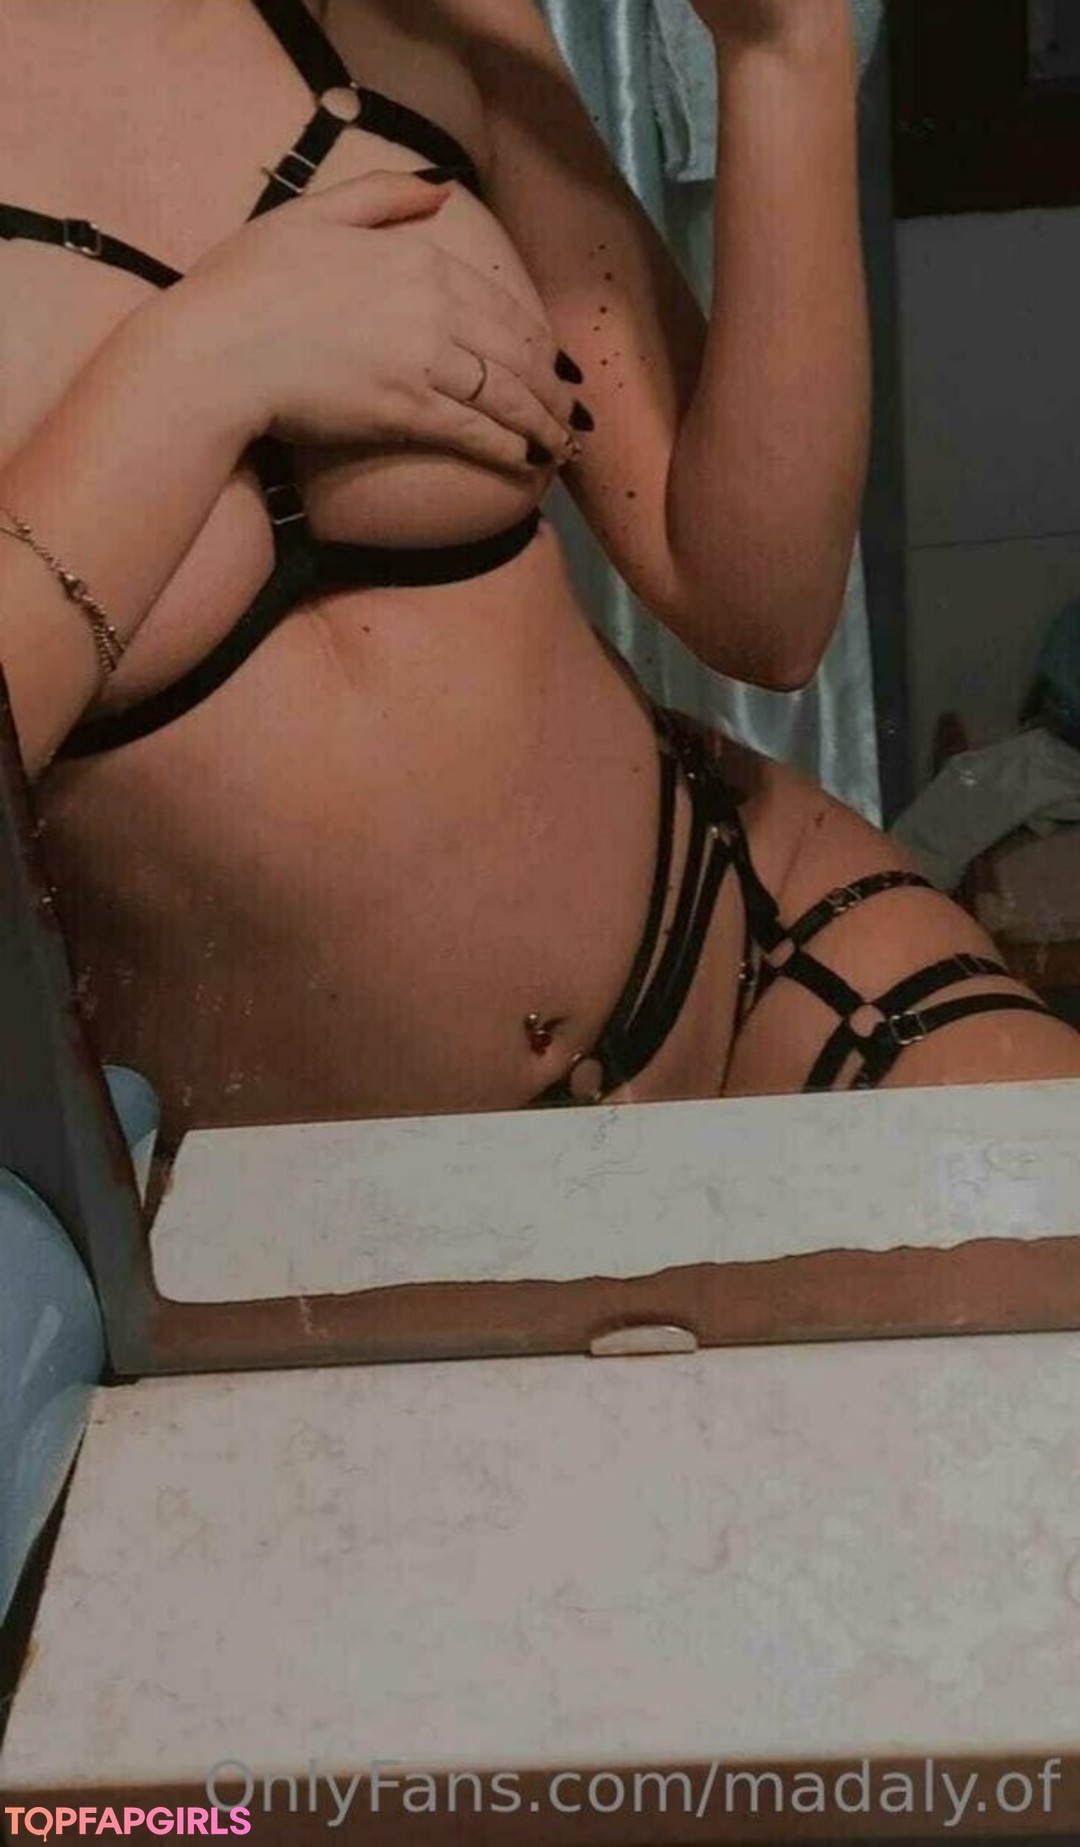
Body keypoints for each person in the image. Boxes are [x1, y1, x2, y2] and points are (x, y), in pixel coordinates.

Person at [1, 0, 1078, 1146]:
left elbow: (762, 610)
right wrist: (206, 363)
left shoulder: (417, 15)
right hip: (295, 1183)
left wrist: (785, 56)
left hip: (748, 964)